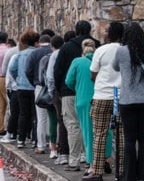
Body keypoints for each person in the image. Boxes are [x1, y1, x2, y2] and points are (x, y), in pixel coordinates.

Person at [112, 22, 144, 181]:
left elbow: (115, 67)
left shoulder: (121, 52)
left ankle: (130, 179)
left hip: (128, 100)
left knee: (129, 139)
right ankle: (143, 179)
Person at [54, 21, 100, 171]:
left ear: (76, 30)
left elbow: (58, 70)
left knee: (73, 125)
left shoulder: (66, 47)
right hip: (94, 92)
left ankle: (74, 160)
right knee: (91, 126)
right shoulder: (98, 46)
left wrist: (60, 89)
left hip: (69, 92)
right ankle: (89, 158)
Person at [66, 39, 112, 181]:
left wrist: (78, 89)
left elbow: (68, 81)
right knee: (106, 130)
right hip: (104, 96)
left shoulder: (78, 62)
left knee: (88, 132)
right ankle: (106, 158)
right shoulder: (101, 61)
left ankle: (91, 163)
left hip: (83, 100)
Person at [90, 22, 123, 180]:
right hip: (120, 96)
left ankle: (97, 170)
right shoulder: (125, 50)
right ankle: (122, 170)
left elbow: (93, 73)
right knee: (121, 135)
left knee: (99, 134)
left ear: (109, 35)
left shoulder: (101, 50)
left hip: (102, 95)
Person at [9, 29, 40, 149]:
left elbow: (12, 68)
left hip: (21, 87)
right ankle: (34, 139)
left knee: (23, 113)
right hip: (33, 86)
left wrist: (18, 78)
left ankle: (20, 139)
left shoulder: (20, 54)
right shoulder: (36, 53)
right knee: (35, 114)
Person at [48, 32, 75, 165]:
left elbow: (52, 74)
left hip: (62, 91)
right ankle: (79, 153)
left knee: (63, 121)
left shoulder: (57, 54)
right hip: (77, 91)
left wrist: (53, 90)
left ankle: (63, 152)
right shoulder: (76, 51)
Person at [26, 34, 53, 154]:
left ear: (39, 42)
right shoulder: (54, 52)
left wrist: (34, 82)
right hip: (54, 88)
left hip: (40, 87)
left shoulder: (34, 53)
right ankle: (54, 144)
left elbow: (28, 70)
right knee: (54, 118)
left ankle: (41, 145)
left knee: (41, 118)